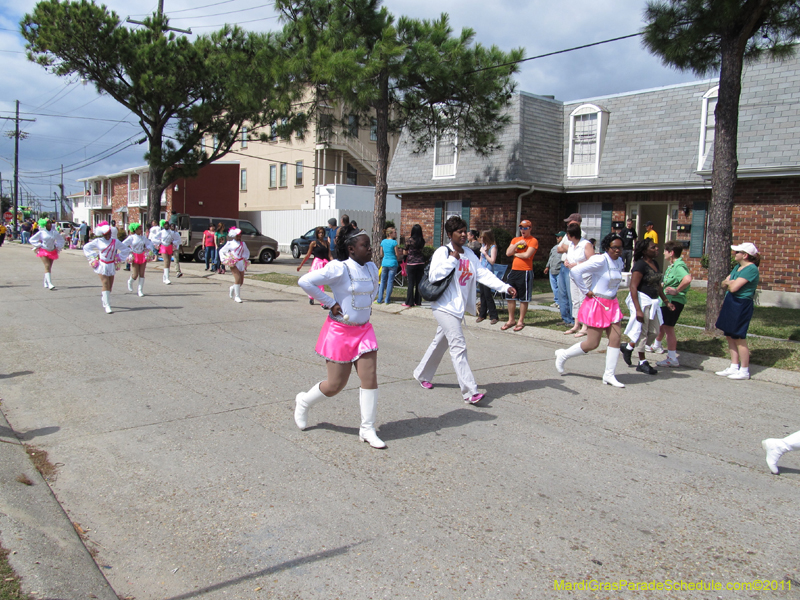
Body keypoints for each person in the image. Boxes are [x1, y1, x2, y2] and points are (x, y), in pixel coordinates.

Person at [294, 228, 386, 449]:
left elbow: (372, 293)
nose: (370, 249)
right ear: (351, 249)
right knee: (335, 385)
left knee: (369, 377)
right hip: (340, 332)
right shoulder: (339, 268)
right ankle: (304, 401)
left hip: (364, 331)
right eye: (365, 245)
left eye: (370, 245)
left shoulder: (371, 267)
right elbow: (305, 281)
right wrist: (329, 302)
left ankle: (367, 428)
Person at [414, 216, 516, 404]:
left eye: (464, 231)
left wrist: (504, 287)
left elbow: (482, 273)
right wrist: (452, 261)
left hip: (457, 307)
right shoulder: (443, 252)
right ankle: (470, 392)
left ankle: (422, 374)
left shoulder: (469, 253)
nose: (463, 234)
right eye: (459, 232)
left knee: (440, 342)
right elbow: (434, 276)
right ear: (449, 234)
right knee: (458, 345)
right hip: (444, 306)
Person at [555, 233, 626, 387]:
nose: (618, 250)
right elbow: (576, 271)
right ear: (607, 247)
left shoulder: (619, 261)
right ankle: (563, 355)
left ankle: (609, 375)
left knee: (616, 338)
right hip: (597, 303)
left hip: (612, 304)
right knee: (593, 343)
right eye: (614, 247)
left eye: (620, 248)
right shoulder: (600, 260)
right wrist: (585, 290)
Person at [621, 239, 673, 375]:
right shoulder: (640, 265)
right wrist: (638, 309)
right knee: (642, 333)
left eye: (656, 247)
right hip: (643, 302)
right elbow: (633, 287)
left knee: (655, 331)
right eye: (653, 247)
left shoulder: (655, 263)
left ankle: (629, 347)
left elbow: (657, 285)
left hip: (654, 302)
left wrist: (666, 301)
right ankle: (642, 362)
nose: (657, 249)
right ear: (644, 251)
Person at [714, 243, 761, 380]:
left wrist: (730, 283)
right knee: (729, 334)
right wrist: (730, 283)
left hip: (741, 304)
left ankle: (744, 370)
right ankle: (734, 366)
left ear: (745, 255)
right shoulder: (737, 267)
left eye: (737, 252)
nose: (734, 254)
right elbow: (724, 283)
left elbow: (733, 288)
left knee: (739, 337)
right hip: (731, 301)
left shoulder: (751, 269)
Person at [652, 241, 693, 367]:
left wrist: (677, 290)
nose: (663, 253)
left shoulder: (679, 266)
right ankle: (657, 345)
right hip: (667, 301)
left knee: (669, 328)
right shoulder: (672, 266)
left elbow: (687, 279)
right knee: (663, 324)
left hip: (673, 301)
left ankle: (672, 358)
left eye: (666, 250)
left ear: (671, 252)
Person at [83, 221, 130, 313]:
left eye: (109, 233)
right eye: (106, 234)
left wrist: (119, 257)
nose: (108, 235)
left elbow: (125, 249)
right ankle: (107, 305)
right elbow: (86, 247)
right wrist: (94, 255)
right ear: (102, 234)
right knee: (105, 283)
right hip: (102, 264)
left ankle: (104, 299)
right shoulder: (98, 241)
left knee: (110, 287)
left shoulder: (115, 241)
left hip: (111, 264)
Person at [501, 219, 538, 332]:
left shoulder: (533, 240)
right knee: (509, 295)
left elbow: (527, 255)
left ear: (530, 228)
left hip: (525, 271)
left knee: (523, 298)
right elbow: (508, 253)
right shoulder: (515, 240)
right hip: (514, 271)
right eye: (521, 228)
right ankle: (511, 319)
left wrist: (515, 253)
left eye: (525, 228)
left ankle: (520, 321)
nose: (523, 230)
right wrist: (516, 245)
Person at [563, 222, 595, 337]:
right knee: (575, 300)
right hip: (573, 275)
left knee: (583, 300)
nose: (567, 236)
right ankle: (576, 324)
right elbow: (569, 257)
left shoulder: (586, 244)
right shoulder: (571, 245)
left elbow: (592, 261)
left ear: (573, 235)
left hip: (584, 276)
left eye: (568, 234)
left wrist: (577, 264)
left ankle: (585, 326)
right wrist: (567, 261)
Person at [297, 226, 332, 304]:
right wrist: (301, 265)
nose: (321, 234)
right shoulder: (314, 243)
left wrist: (334, 263)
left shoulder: (327, 243)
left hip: (325, 263)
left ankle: (318, 298)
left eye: (322, 233)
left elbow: (330, 255)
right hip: (317, 264)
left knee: (322, 282)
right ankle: (320, 301)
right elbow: (308, 255)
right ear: (317, 234)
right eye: (319, 233)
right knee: (316, 282)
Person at [29, 218, 65, 290]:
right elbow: (32, 239)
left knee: (49, 267)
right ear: (44, 224)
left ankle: (45, 282)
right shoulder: (41, 232)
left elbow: (61, 239)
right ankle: (50, 283)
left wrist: (57, 246)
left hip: (52, 250)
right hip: (44, 250)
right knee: (47, 265)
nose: (49, 224)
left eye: (50, 223)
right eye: (47, 223)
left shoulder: (54, 232)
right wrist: (39, 245)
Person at [122, 223, 155, 297]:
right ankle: (130, 281)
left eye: (141, 229)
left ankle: (140, 290)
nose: (141, 230)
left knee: (142, 274)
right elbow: (123, 244)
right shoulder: (131, 237)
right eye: (139, 229)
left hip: (142, 255)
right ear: (135, 230)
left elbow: (149, 243)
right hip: (135, 256)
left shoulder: (143, 238)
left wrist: (149, 249)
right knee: (135, 274)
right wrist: (129, 251)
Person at [219, 227, 250, 303]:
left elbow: (246, 252)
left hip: (241, 262)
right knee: (237, 278)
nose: (239, 236)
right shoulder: (230, 243)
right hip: (233, 262)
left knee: (241, 282)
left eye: (240, 235)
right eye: (237, 235)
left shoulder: (243, 244)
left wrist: (245, 258)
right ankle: (237, 297)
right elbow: (221, 251)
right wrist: (225, 259)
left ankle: (232, 288)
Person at [476, 229, 500, 324]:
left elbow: (492, 261)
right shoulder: (483, 246)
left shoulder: (493, 247)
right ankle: (482, 314)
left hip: (488, 273)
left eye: (483, 237)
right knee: (482, 294)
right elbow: (480, 259)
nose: (481, 239)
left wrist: (485, 253)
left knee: (487, 294)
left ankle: (494, 315)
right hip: (482, 272)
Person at [402, 224, 425, 308]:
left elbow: (405, 252)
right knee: (419, 282)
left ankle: (409, 301)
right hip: (421, 262)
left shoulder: (410, 240)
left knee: (411, 283)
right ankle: (418, 301)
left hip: (412, 263)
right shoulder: (422, 241)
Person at [375, 226, 400, 304]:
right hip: (392, 262)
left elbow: (381, 253)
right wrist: (397, 258)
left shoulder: (383, 242)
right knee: (390, 281)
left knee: (382, 281)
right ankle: (387, 299)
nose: (395, 233)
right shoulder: (394, 242)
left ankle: (379, 299)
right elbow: (397, 253)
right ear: (390, 234)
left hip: (385, 262)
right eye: (394, 232)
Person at [544, 231, 565, 309]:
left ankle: (561, 302)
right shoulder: (554, 248)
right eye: (556, 237)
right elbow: (551, 258)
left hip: (560, 270)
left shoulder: (565, 247)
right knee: (554, 287)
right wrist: (547, 267)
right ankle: (557, 301)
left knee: (560, 288)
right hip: (552, 270)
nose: (557, 238)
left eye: (558, 237)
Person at [156, 219, 176, 284]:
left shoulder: (171, 232)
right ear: (163, 225)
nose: (166, 225)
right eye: (165, 224)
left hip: (169, 247)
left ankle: (165, 277)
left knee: (169, 262)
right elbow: (154, 238)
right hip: (163, 247)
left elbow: (176, 238)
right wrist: (159, 242)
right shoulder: (161, 232)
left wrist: (174, 242)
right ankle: (167, 278)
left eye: (167, 224)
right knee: (166, 261)